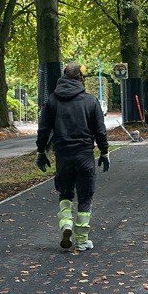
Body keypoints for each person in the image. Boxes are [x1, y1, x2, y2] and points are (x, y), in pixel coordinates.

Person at [36, 63, 110, 252]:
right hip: (84, 155)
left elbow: (43, 129)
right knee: (85, 197)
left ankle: (66, 224)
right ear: (80, 78)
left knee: (65, 193)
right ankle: (82, 240)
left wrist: (41, 151)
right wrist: (104, 152)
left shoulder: (52, 101)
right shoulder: (91, 101)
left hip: (63, 156)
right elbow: (100, 131)